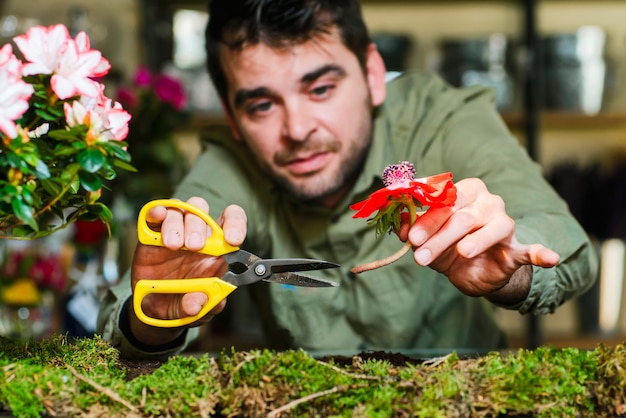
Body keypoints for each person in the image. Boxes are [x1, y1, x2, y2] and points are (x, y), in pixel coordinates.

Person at [97, 0, 597, 359]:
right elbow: (135, 299)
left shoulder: (441, 117)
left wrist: (512, 271)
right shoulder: (231, 162)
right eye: (262, 104)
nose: (297, 130)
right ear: (232, 118)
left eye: (320, 87)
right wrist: (155, 318)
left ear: (374, 74)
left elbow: (568, 245)